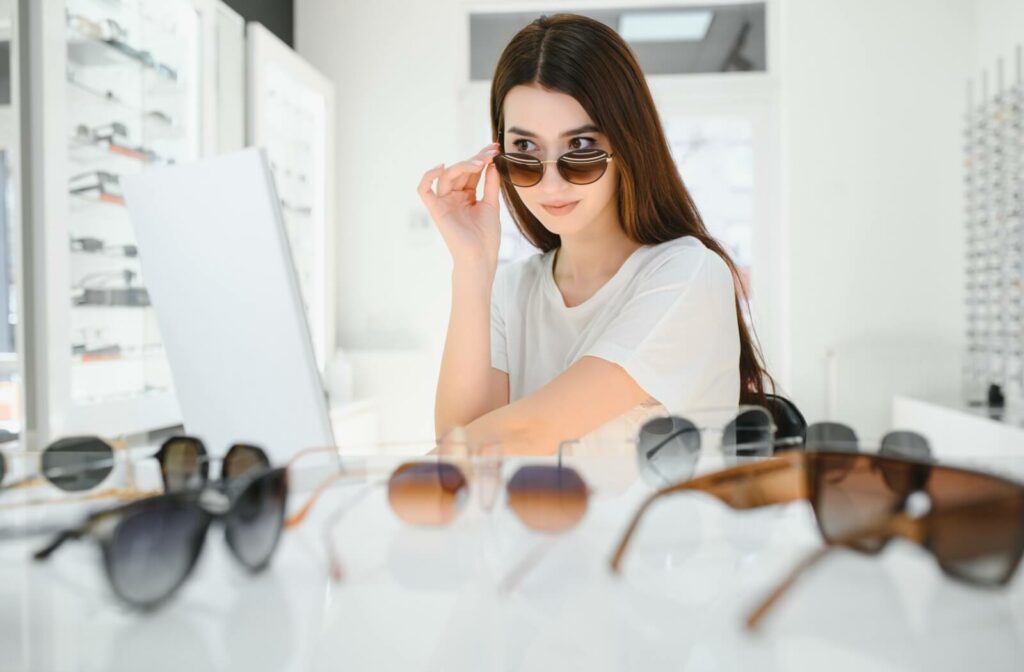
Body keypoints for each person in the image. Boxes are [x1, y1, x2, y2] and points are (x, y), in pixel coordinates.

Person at [417, 14, 773, 456]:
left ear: (627, 144)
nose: (550, 184)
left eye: (580, 148)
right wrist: (471, 266)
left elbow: (529, 432)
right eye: (525, 150)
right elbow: (460, 454)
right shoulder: (509, 291)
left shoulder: (687, 275)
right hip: (530, 526)